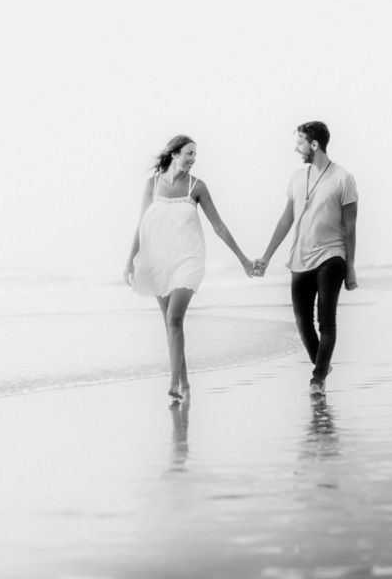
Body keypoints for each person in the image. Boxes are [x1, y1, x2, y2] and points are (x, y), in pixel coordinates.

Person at [124, 135, 257, 405]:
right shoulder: (152, 185)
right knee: (171, 325)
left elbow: (218, 226)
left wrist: (243, 259)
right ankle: (184, 381)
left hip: (189, 261)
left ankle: (173, 383)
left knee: (174, 318)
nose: (193, 159)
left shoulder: (197, 187)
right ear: (174, 153)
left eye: (195, 155)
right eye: (189, 153)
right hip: (158, 261)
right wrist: (129, 260)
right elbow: (141, 225)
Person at [253, 121, 358, 395]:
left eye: (299, 142)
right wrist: (266, 256)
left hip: (331, 257)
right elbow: (286, 219)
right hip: (299, 258)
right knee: (302, 322)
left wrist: (351, 268)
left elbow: (351, 228)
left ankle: (318, 378)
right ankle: (322, 365)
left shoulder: (343, 179)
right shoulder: (298, 177)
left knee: (327, 320)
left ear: (314, 144)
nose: (296, 148)